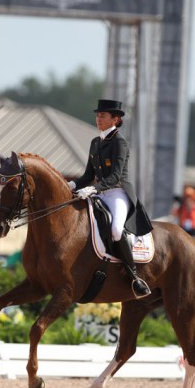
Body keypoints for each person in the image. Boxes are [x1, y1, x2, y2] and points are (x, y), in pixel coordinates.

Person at [67, 99, 153, 298]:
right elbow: (88, 175)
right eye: (97, 115)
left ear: (115, 119)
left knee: (115, 229)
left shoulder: (120, 142)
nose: (98, 119)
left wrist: (92, 189)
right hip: (98, 192)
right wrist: (71, 185)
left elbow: (115, 176)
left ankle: (134, 277)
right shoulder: (95, 142)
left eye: (103, 116)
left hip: (117, 193)